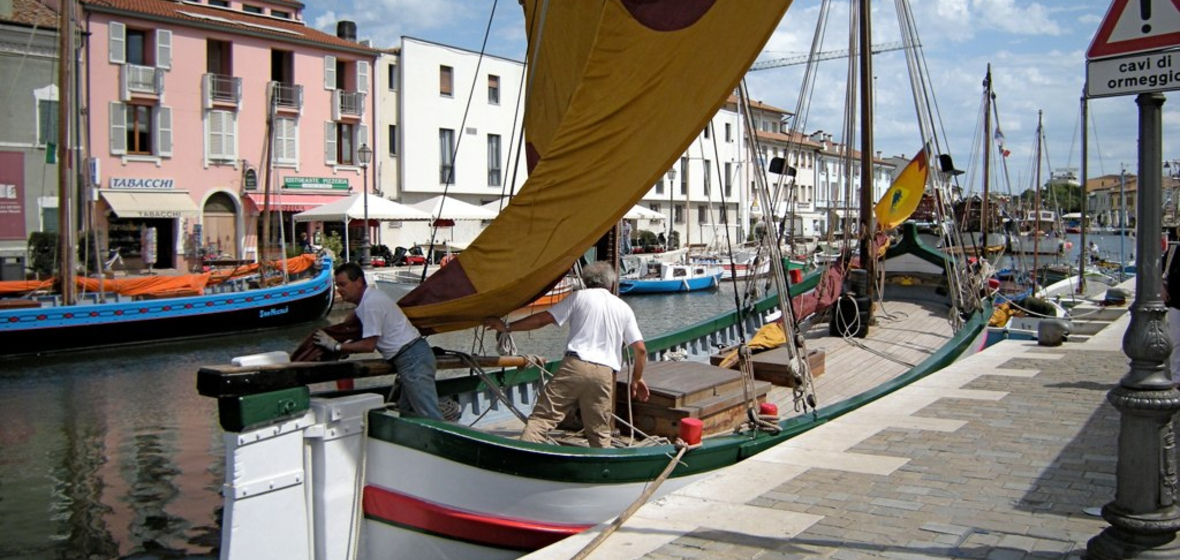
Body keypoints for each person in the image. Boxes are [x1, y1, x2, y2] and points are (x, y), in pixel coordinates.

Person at [483, 261, 648, 447]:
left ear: (585, 281)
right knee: (600, 432)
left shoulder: (578, 297)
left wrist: (507, 327)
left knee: (541, 420)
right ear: (611, 283)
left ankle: (522, 463)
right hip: (604, 373)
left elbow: (542, 320)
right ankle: (602, 468)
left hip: (575, 366)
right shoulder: (623, 308)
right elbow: (640, 350)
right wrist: (637, 378)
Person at [314, 262, 443, 419]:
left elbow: (369, 345)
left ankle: (449, 442)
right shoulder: (370, 299)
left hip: (411, 358)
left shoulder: (371, 304)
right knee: (407, 413)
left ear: (359, 282)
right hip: (411, 356)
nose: (339, 290)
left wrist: (337, 347)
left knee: (429, 415)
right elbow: (351, 321)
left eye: (343, 284)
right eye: (337, 285)